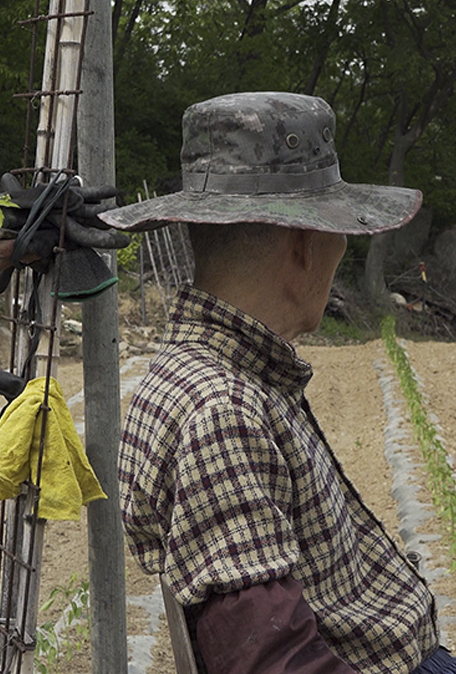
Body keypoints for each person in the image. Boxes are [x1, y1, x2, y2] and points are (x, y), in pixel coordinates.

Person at [104, 92, 456, 674]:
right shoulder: (222, 410)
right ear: (305, 243)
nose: (341, 249)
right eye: (341, 234)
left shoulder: (226, 374)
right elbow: (276, 662)